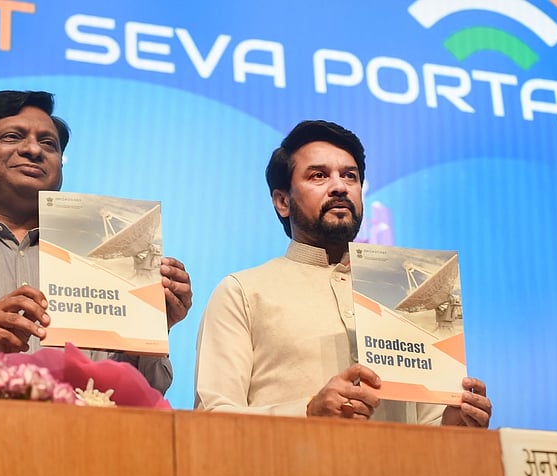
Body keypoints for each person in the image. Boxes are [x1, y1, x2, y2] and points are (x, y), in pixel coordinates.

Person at [0, 90, 193, 394]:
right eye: (12, 137)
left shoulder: (106, 258)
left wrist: (149, 330)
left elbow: (145, 393)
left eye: (49, 143)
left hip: (77, 441)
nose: (33, 150)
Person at [194, 120, 491, 427]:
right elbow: (211, 419)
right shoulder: (243, 291)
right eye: (318, 175)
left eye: (350, 176)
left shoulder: (405, 291)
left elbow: (427, 426)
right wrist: (307, 412)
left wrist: (454, 425)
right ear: (283, 201)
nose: (339, 186)